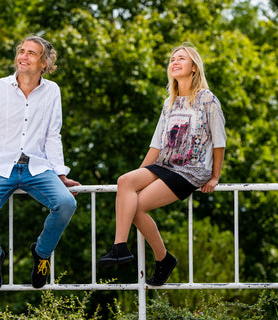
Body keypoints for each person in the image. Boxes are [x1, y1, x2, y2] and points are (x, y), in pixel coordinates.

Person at [97, 44, 226, 286]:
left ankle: (163, 259)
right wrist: (140, 174)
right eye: (172, 59)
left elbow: (219, 141)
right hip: (164, 164)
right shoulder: (170, 103)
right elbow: (156, 146)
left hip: (192, 170)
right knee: (125, 181)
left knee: (135, 207)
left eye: (181, 59)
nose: (174, 62)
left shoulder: (207, 99)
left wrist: (215, 177)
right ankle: (119, 247)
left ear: (194, 68)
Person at [0, 35, 80, 290]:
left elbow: (53, 135)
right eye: (21, 51)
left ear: (44, 63)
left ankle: (41, 254)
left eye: (31, 53)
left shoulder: (52, 91)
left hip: (37, 168)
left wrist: (60, 174)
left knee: (66, 203)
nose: (23, 56)